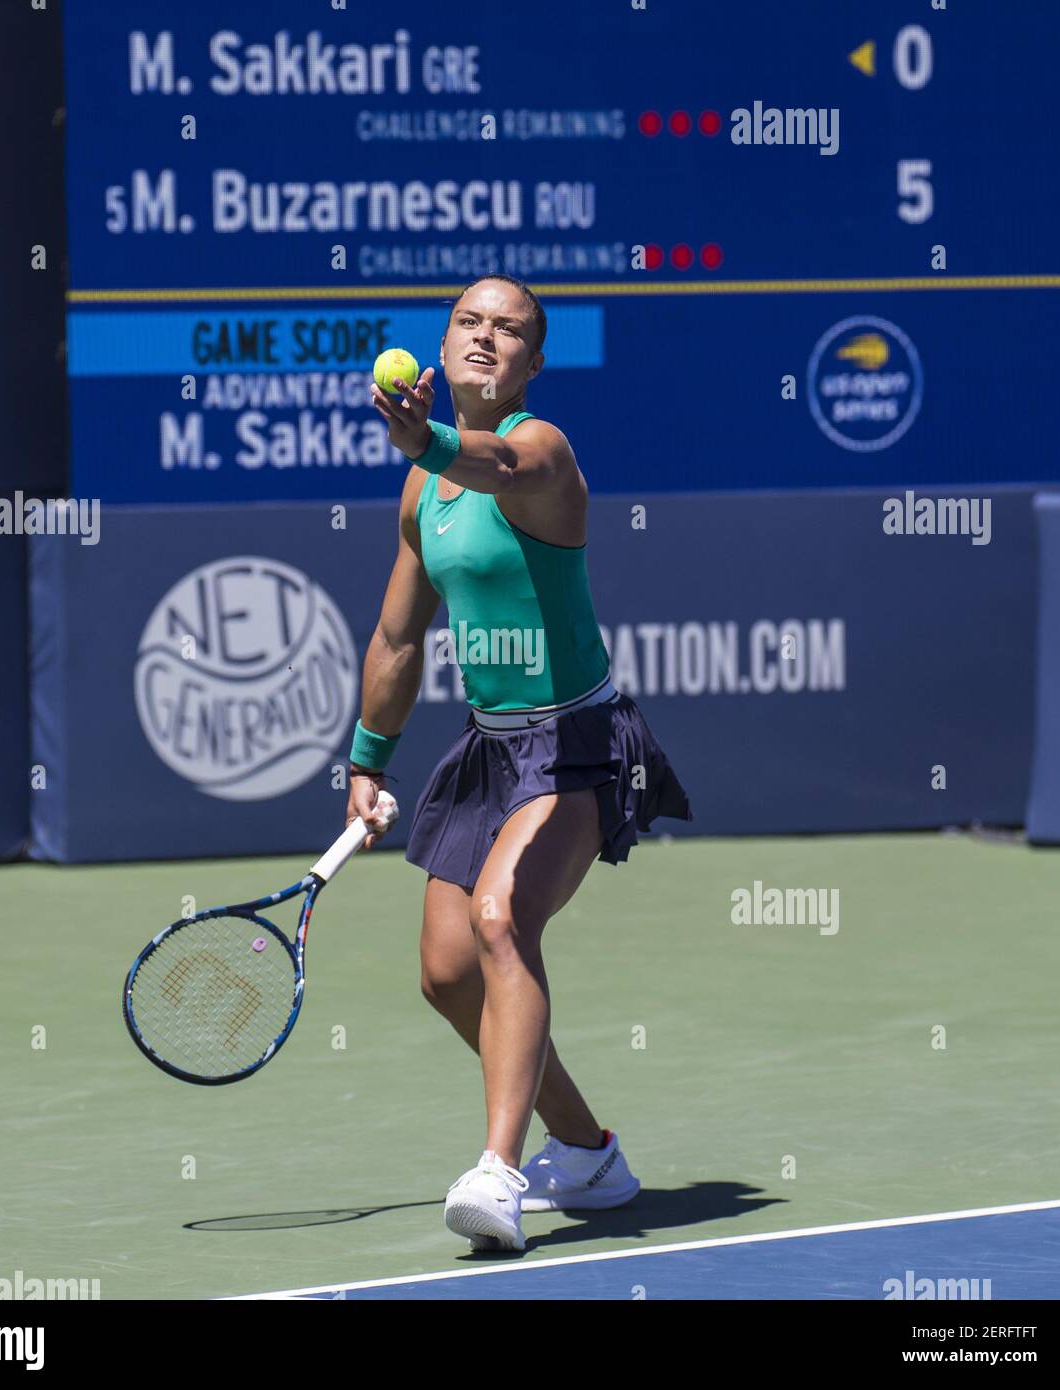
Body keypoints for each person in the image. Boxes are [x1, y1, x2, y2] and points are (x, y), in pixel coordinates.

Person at [348, 274, 691, 1251]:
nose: (486, 338)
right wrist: (367, 762)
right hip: (491, 746)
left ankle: (498, 1172)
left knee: (503, 919)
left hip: (579, 742)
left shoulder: (541, 451)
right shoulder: (423, 488)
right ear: (443, 343)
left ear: (534, 364)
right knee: (450, 972)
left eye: (510, 330)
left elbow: (495, 459)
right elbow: (398, 636)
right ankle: (585, 1152)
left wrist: (430, 440)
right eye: (469, 322)